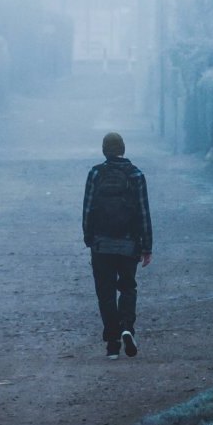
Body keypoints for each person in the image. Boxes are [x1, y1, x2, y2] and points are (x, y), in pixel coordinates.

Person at [82, 131, 153, 359]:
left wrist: (89, 238)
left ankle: (112, 344)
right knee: (128, 287)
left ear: (104, 150)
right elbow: (143, 212)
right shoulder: (136, 174)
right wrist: (147, 246)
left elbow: (87, 208)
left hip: (101, 244)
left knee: (105, 292)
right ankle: (126, 328)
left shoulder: (95, 173)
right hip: (128, 243)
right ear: (123, 149)